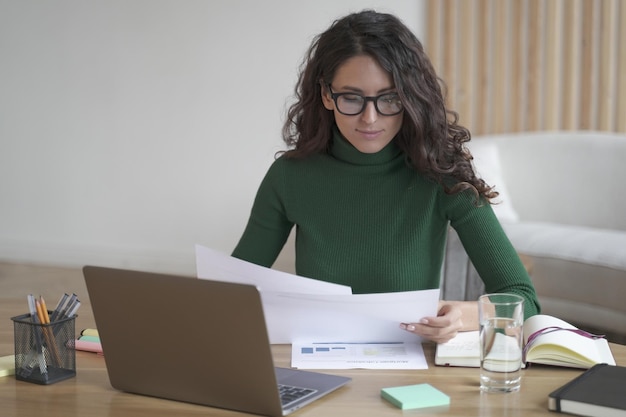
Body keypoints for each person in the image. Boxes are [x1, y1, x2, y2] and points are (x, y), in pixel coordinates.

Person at [232, 10, 540, 343]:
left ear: (409, 97)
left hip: (413, 370)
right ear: (326, 95)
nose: (369, 118)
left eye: (389, 98)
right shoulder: (289, 177)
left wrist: (462, 316)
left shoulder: (443, 174)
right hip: (319, 362)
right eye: (351, 97)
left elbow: (524, 299)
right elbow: (228, 293)